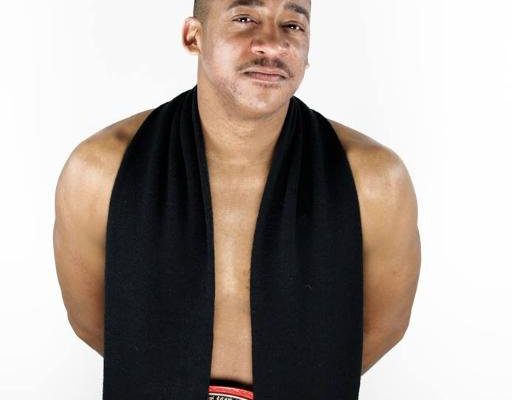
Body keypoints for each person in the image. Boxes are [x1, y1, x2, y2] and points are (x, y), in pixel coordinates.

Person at [53, 0, 421, 394]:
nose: (272, 44)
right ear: (193, 36)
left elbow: (384, 327)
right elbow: (92, 322)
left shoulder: (374, 181)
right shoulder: (101, 170)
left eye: (292, 25)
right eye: (245, 19)